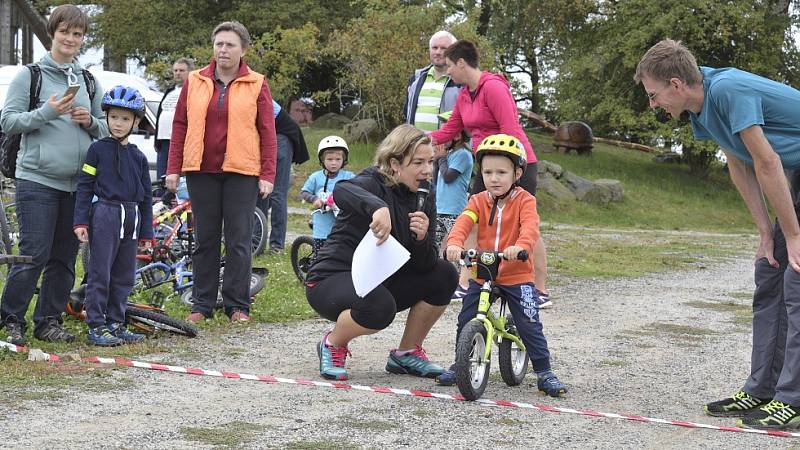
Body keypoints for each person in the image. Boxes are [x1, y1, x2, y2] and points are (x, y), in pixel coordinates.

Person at [635, 38, 800, 431]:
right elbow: (738, 161)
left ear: (676, 84)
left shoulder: (727, 90)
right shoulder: (701, 105)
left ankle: (792, 399)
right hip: (791, 169)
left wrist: (792, 235)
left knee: (796, 278)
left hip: (788, 168)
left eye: (654, 96)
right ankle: (762, 389)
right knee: (769, 270)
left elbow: (767, 161)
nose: (653, 105)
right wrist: (766, 233)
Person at [305, 124, 458, 381]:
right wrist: (377, 207)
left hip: (379, 278)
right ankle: (333, 343)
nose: (427, 170)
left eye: (430, 162)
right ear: (395, 163)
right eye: (418, 162)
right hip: (330, 279)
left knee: (444, 274)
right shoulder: (373, 180)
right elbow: (342, 190)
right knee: (379, 307)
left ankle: (406, 353)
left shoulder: (425, 195)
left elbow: (425, 265)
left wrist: (421, 239)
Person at [0, 4, 108, 346]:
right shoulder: (29, 75)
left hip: (78, 184)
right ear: (53, 32)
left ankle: (48, 320)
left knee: (64, 258)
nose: (71, 39)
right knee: (33, 254)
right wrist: (47, 112)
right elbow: (9, 121)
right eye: (65, 32)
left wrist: (89, 121)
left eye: (77, 34)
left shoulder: (89, 81)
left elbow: (109, 129)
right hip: (37, 180)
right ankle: (10, 320)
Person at [437, 134, 567, 396]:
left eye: (501, 172)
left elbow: (530, 227)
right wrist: (454, 242)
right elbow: (464, 221)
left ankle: (544, 371)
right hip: (483, 271)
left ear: (517, 173)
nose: (494, 178)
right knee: (467, 317)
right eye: (487, 172)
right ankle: (460, 362)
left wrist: (521, 247)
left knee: (529, 321)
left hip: (516, 273)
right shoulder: (478, 201)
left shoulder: (525, 201)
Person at [166, 21, 277, 323]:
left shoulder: (257, 83)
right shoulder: (194, 80)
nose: (223, 50)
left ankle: (237, 305)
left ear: (243, 49)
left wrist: (268, 174)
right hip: (201, 170)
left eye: (230, 44)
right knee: (206, 239)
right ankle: (201, 304)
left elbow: (267, 131)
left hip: (242, 171)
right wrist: (173, 167)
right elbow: (180, 125)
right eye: (219, 44)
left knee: (239, 239)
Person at [429, 39, 551, 308]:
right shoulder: (463, 95)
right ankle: (467, 281)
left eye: (449, 66)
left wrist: (508, 170)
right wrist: (416, 138)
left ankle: (539, 289)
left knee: (524, 223)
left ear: (461, 63)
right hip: (485, 166)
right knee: (473, 219)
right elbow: (450, 131)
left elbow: (510, 128)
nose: (447, 71)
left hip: (517, 163)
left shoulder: (494, 88)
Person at [73, 86, 153, 346]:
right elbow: (85, 185)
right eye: (114, 117)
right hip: (105, 214)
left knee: (125, 275)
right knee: (101, 274)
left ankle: (115, 323)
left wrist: (146, 233)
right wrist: (81, 221)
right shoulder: (97, 150)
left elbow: (147, 197)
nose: (118, 124)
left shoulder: (139, 157)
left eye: (126, 119)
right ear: (106, 117)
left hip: (131, 216)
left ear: (136, 122)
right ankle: (96, 325)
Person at [257, 100, 310, 253]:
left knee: (277, 193)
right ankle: (257, 243)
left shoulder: (254, 90)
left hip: (281, 137)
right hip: (266, 138)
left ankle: (276, 245)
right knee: (261, 191)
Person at [299, 135, 355, 257]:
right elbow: (304, 192)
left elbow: (358, 191)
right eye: (329, 159)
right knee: (321, 256)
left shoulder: (349, 177)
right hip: (322, 228)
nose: (334, 163)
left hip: (342, 227)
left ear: (344, 160)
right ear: (322, 160)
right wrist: (314, 199)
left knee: (342, 256)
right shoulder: (316, 177)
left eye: (338, 159)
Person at [403, 30, 460, 132]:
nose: (438, 52)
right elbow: (406, 112)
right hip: (417, 145)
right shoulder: (417, 79)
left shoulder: (460, 82)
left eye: (443, 48)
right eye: (434, 48)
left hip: (449, 145)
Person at [432, 112, 472, 255]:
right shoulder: (448, 155)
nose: (441, 139)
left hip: (454, 211)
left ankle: (467, 272)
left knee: (458, 247)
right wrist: (437, 160)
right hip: (439, 208)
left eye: (445, 134)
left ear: (457, 136)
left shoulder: (463, 155)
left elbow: (448, 177)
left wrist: (441, 159)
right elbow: (436, 180)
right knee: (433, 247)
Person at [155, 58, 193, 188]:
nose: (178, 73)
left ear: (190, 72)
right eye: (175, 70)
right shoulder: (170, 91)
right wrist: (156, 140)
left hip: (180, 141)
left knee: (177, 178)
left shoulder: (193, 90)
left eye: (182, 70)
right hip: (163, 139)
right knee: (161, 176)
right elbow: (160, 114)